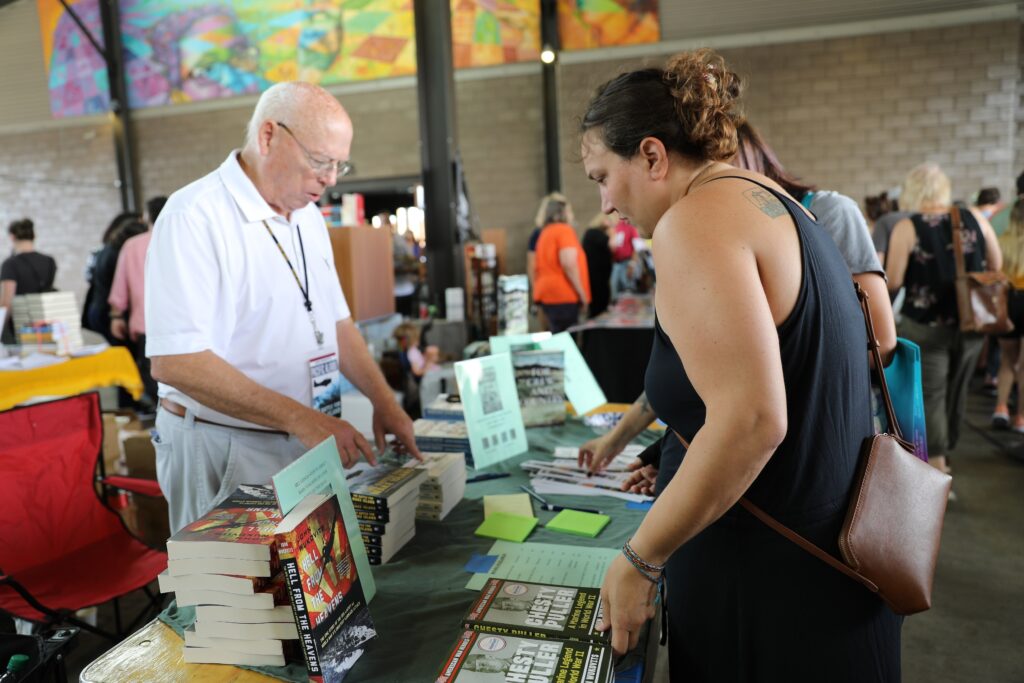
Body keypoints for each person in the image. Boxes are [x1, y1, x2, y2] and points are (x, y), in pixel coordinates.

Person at [579, 49, 900, 680]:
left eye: (600, 177)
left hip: (772, 591)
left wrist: (641, 559)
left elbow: (753, 419)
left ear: (650, 155)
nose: (606, 204)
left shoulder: (695, 222)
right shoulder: (773, 202)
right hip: (822, 574)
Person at [145, 81, 421, 534]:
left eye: (339, 164)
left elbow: (336, 323)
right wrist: (301, 418)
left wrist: (384, 401)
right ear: (269, 135)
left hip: (301, 438)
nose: (331, 178)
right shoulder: (195, 216)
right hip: (228, 446)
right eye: (319, 161)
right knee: (231, 598)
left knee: (302, 596)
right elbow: (177, 362)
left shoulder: (307, 216)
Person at [885, 162, 1000, 481]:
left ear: (912, 191)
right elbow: (996, 263)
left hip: (926, 325)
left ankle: (936, 467)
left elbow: (893, 279)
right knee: (957, 390)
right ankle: (945, 451)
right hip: (971, 322)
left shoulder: (908, 227)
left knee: (930, 394)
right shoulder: (975, 218)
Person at [108, 196, 167, 407]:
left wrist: (116, 316)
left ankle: (163, 416)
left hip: (146, 324)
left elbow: (120, 286)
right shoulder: (182, 238)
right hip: (183, 323)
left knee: (153, 375)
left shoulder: (132, 245)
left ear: (146, 217)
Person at [532, 192, 590, 333]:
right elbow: (568, 264)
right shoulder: (564, 231)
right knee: (568, 342)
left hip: (548, 296)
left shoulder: (545, 232)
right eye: (570, 211)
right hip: (564, 296)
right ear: (563, 212)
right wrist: (582, 295)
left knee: (557, 338)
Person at [991, 196, 1024, 430]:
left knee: (1007, 360)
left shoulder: (1001, 241)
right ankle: (1021, 417)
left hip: (1009, 302)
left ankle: (1001, 407)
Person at [1, 219, 57, 343]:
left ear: (12, 237)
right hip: (46, 323)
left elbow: (6, 302)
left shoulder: (10, 264)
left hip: (22, 326)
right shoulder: (49, 261)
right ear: (34, 236)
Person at [581, 212, 613, 318]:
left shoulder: (592, 233)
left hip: (597, 275)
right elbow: (614, 244)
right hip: (596, 276)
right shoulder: (595, 233)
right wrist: (611, 232)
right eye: (609, 221)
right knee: (598, 306)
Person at [609, 217, 640, 298]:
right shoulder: (615, 227)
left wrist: (632, 264)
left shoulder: (629, 225)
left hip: (627, 262)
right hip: (616, 262)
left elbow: (637, 247)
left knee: (628, 291)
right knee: (615, 290)